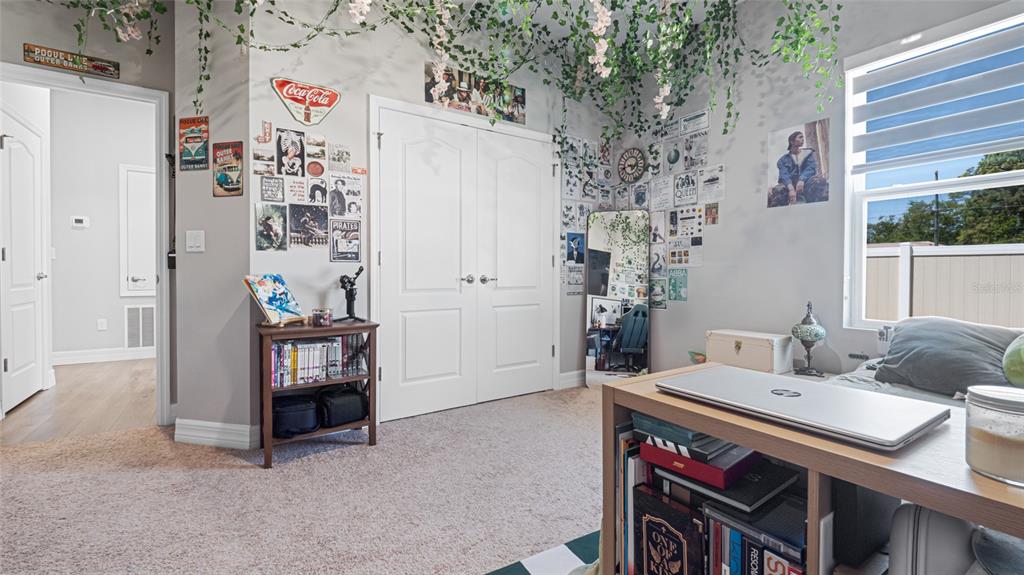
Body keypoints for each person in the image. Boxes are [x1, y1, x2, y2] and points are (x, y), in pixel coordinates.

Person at [770, 130, 827, 206]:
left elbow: (810, 168)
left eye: (803, 137)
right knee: (778, 190)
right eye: (800, 137)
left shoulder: (808, 153)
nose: (803, 139)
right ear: (792, 141)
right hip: (789, 184)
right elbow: (784, 174)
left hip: (807, 182)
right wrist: (790, 188)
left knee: (819, 183)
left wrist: (801, 180)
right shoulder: (782, 160)